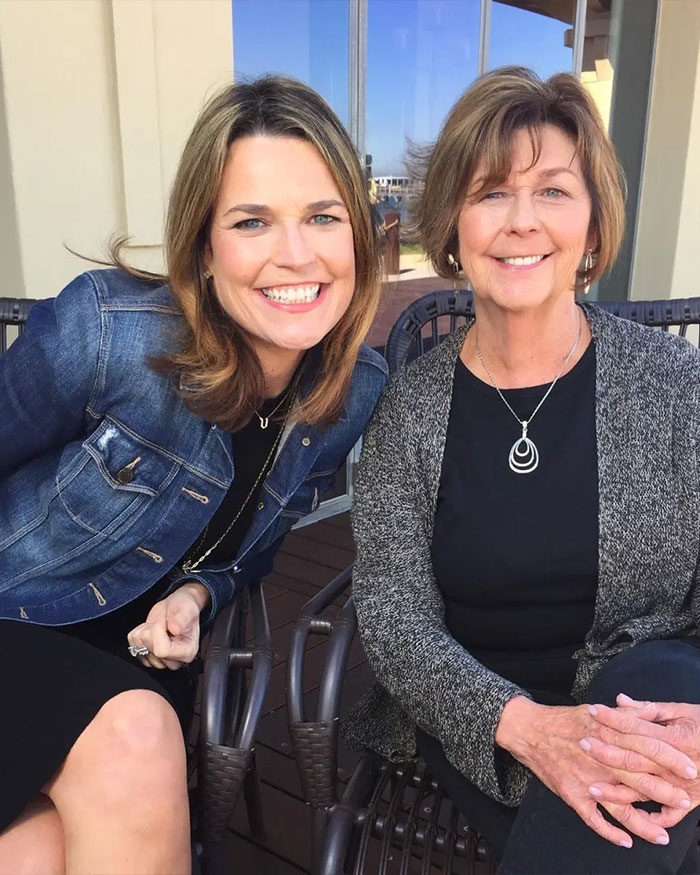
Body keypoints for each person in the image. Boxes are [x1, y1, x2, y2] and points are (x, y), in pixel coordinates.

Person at [0, 75, 387, 874]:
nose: (297, 253)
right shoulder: (104, 334)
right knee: (137, 733)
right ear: (204, 249)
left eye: (323, 216)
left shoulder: (352, 393)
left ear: (360, 235)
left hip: (131, 658)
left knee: (34, 851)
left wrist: (199, 591)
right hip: (16, 621)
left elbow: (263, 537)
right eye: (253, 221)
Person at [344, 66, 700, 874]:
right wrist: (532, 729)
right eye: (490, 193)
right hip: (485, 725)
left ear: (592, 222)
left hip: (658, 694)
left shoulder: (675, 386)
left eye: (552, 192)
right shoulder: (409, 409)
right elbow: (393, 618)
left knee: (643, 719)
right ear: (453, 225)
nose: (521, 222)